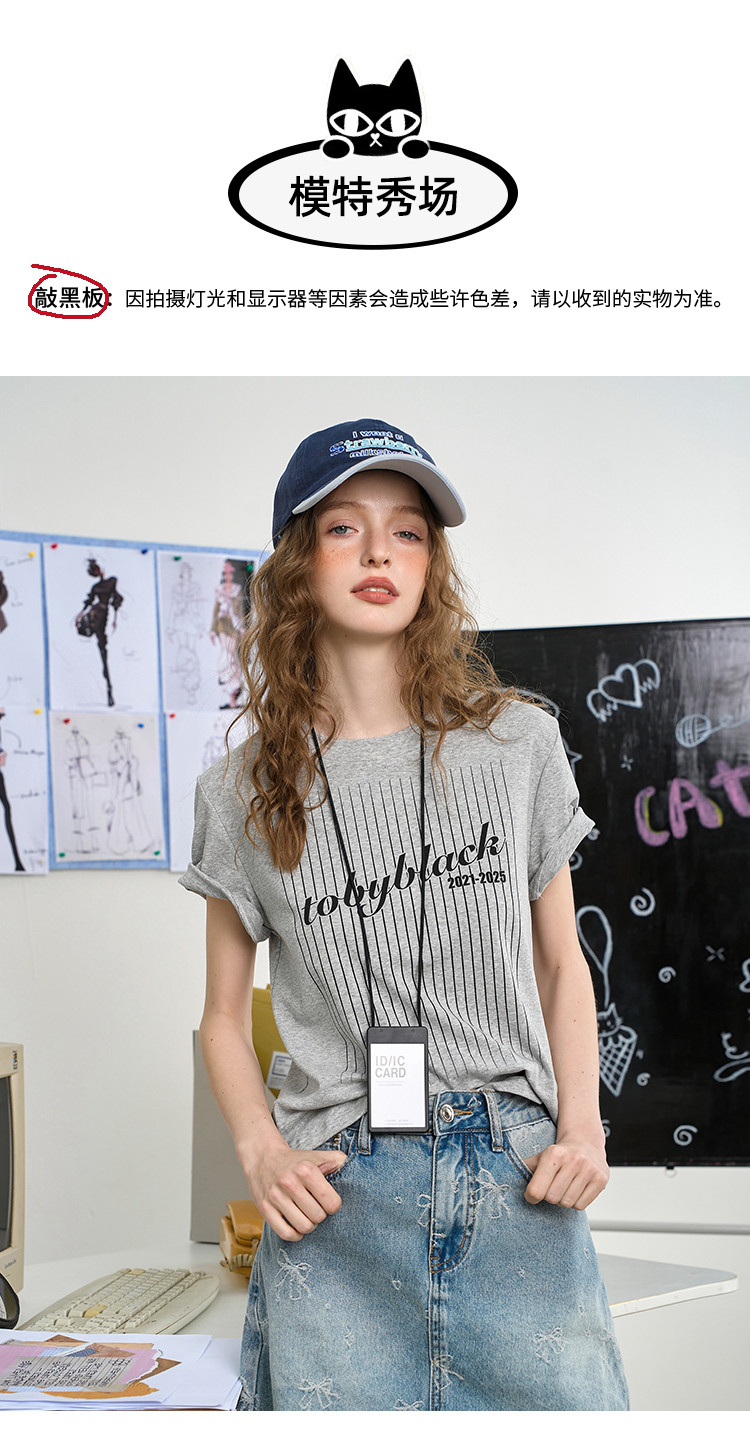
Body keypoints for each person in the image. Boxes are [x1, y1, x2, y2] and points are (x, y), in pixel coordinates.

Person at [179, 418, 630, 1412]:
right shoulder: (240, 791)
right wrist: (261, 1150)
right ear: (298, 563)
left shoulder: (518, 744)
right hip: (338, 1191)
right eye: (344, 527)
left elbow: (563, 962)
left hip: (515, 1172)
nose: (380, 552)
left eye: (409, 531)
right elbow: (221, 1015)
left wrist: (584, 1128)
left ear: (432, 564)